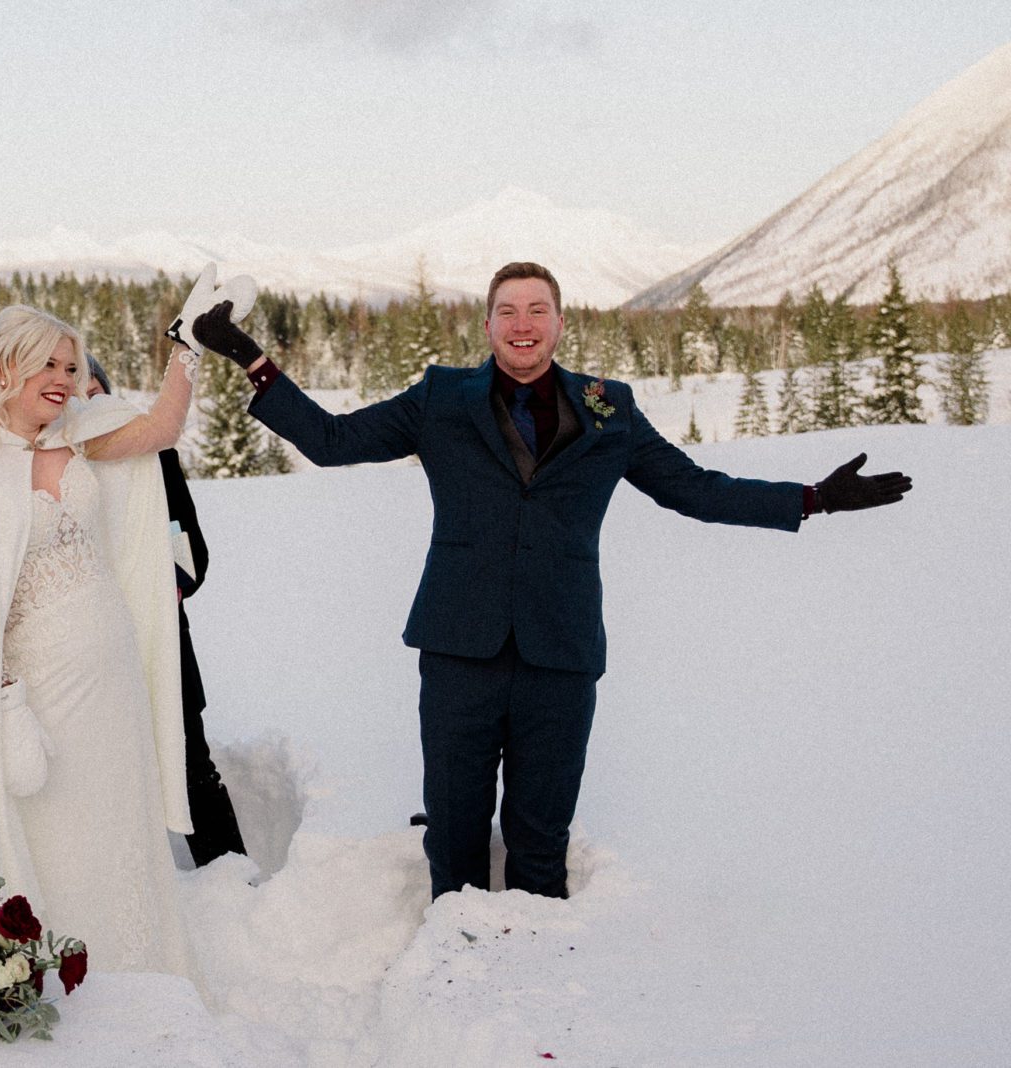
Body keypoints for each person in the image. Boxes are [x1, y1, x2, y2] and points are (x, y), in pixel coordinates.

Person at [190, 261, 912, 901]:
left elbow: (695, 489)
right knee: (455, 839)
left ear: (561, 323)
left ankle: (538, 1000)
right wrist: (251, 358)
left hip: (560, 655)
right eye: (508, 310)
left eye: (537, 309)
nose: (522, 323)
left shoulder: (610, 408)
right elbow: (332, 440)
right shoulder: (441, 399)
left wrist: (813, 498)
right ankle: (450, 988)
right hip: (458, 650)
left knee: (541, 842)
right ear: (488, 325)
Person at [0, 302, 204, 980]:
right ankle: (64, 968)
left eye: (71, 365)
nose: (65, 378)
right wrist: (0, 691)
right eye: (49, 364)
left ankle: (139, 966)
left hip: (111, 670)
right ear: (7, 364)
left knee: (119, 818)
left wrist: (189, 346)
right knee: (59, 826)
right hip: (42, 686)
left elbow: (161, 425)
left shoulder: (80, 438)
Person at [85, 356, 248, 866]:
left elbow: (193, 555)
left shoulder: (153, 455)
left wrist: (163, 583)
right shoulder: (56, 466)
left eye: (97, 393)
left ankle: (230, 879)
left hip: (164, 641)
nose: (91, 406)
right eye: (77, 396)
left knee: (189, 763)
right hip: (87, 648)